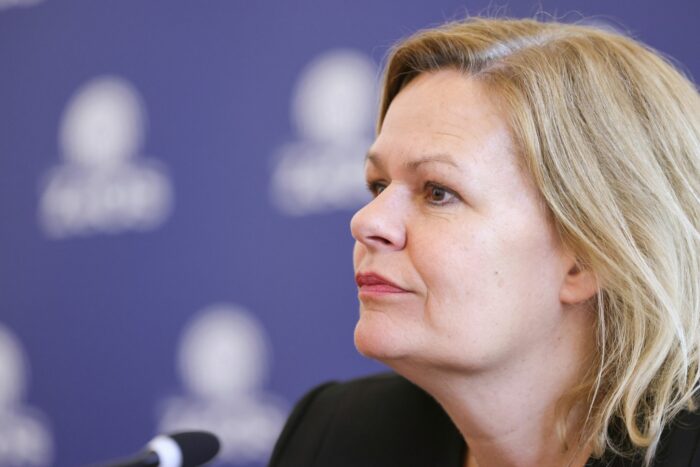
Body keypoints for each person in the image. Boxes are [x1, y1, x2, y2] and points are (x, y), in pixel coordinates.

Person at [268, 16, 700, 467]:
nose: (367, 220)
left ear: (586, 259)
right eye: (378, 185)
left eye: (438, 192)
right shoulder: (335, 436)